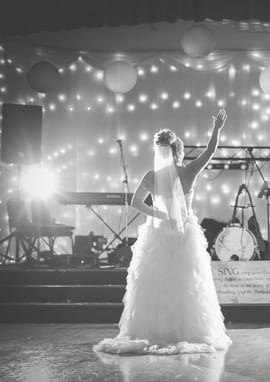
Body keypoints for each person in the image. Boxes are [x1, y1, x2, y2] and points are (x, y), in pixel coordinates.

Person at [94, 109, 231, 355]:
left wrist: (159, 214)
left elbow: (135, 202)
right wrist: (216, 130)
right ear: (178, 151)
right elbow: (210, 152)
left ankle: (155, 330)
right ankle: (184, 331)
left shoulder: (151, 176)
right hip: (183, 235)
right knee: (187, 284)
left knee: (156, 285)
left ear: (158, 152)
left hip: (157, 234)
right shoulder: (188, 172)